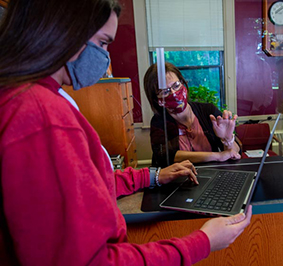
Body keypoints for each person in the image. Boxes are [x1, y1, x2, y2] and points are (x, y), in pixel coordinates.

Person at [0, 0, 252, 265]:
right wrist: (202, 242)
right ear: (65, 31)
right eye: (103, 43)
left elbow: (96, 183)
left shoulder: (33, 98)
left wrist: (152, 176)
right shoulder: (41, 115)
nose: (106, 58)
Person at [144, 62, 242, 168]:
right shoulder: (159, 121)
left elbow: (234, 153)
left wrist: (228, 139)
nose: (174, 93)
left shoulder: (208, 111)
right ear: (158, 101)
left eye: (176, 86)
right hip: (178, 180)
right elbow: (166, 155)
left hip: (212, 176)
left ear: (183, 84)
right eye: (165, 92)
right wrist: (217, 156)